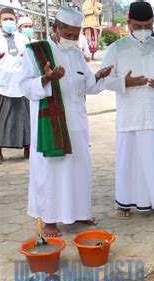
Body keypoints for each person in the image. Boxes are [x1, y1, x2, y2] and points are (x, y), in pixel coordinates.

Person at [19, 7, 113, 236]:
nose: (72, 39)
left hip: (77, 124)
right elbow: (24, 87)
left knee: (80, 168)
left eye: (75, 34)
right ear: (55, 28)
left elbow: (86, 85)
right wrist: (47, 78)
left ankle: (80, 212)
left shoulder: (77, 55)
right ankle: (50, 220)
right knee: (52, 171)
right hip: (50, 125)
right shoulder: (36, 52)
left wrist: (98, 77)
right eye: (68, 34)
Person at [101, 1, 154, 218]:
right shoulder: (116, 49)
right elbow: (104, 81)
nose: (144, 30)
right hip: (129, 114)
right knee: (128, 159)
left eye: (148, 25)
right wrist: (126, 83)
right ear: (129, 23)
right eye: (139, 25)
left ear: (153, 23)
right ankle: (124, 203)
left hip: (153, 113)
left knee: (153, 159)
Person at [0, 8, 30, 164]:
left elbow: (29, 57)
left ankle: (28, 148)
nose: (8, 21)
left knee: (25, 118)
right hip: (2, 84)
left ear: (16, 20)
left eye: (11, 18)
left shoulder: (23, 38)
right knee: (0, 118)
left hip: (20, 83)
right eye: (5, 19)